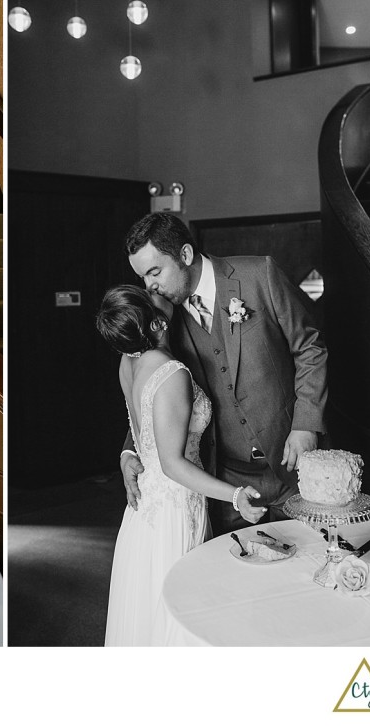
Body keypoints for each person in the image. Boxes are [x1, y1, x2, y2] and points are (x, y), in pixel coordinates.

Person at [121, 212, 328, 535]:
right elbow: (152, 388)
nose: (151, 287)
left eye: (155, 272)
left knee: (310, 566)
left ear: (185, 255)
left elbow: (310, 348)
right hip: (223, 480)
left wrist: (306, 424)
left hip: (292, 462)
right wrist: (130, 449)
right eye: (143, 278)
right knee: (235, 576)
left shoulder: (260, 274)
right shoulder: (162, 316)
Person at [97, 285, 266, 646]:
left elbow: (141, 425)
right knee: (179, 616)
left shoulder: (128, 361)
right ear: (157, 322)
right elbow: (173, 464)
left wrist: (130, 454)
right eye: (149, 293)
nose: (154, 288)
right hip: (175, 507)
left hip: (144, 512)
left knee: (149, 615)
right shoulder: (172, 372)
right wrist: (235, 495)